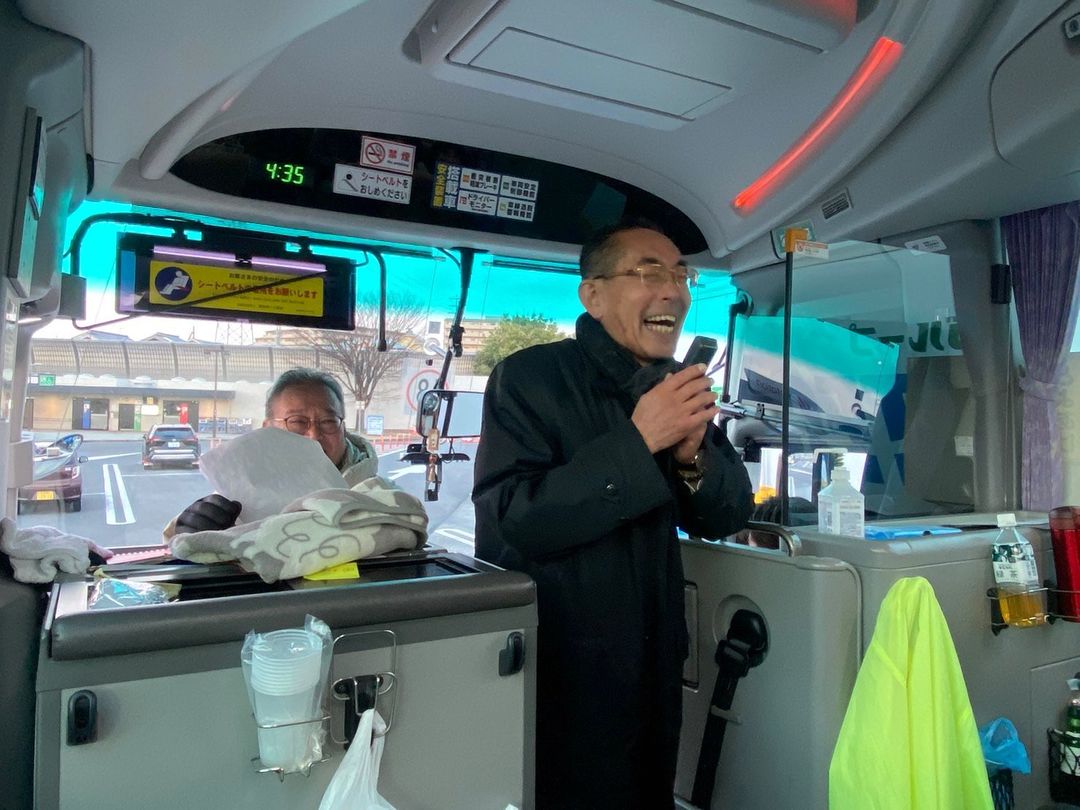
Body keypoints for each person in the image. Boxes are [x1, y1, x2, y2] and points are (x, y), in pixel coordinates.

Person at [472, 221, 755, 809]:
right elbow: (512, 519)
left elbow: (725, 514)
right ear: (593, 295)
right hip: (560, 668)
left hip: (655, 663)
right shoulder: (529, 378)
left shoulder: (672, 386)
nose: (673, 290)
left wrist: (692, 455)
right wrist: (639, 440)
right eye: (649, 272)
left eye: (682, 275)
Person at [169, 368, 378, 535]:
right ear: (267, 429)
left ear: (343, 428)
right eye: (297, 422)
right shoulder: (237, 498)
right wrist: (192, 531)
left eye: (328, 421)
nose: (314, 436)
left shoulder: (381, 499)